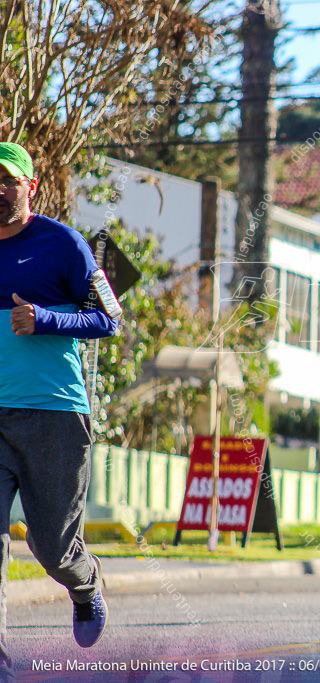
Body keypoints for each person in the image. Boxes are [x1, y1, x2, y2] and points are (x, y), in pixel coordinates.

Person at [0, 142, 120, 673]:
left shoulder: (64, 245)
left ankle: (84, 581)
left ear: (31, 186)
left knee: (52, 544)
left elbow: (110, 318)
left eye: (6, 179)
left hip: (53, 415)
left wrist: (48, 320)